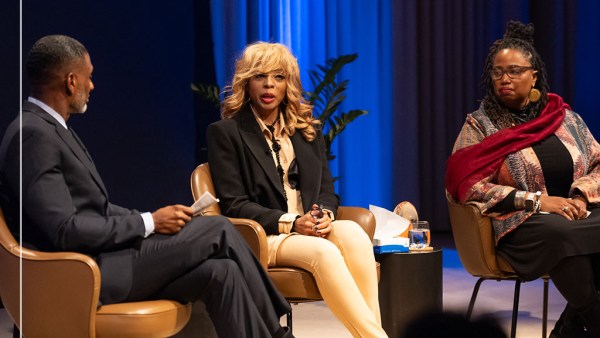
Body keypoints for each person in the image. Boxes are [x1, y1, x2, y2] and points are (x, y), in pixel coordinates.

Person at [0, 34, 294, 338]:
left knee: (223, 271)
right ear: (71, 81)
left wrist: (153, 221)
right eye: (89, 78)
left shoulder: (50, 129)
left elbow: (95, 209)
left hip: (104, 260)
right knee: (217, 228)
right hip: (84, 274)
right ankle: (280, 329)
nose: (92, 86)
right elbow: (64, 231)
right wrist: (148, 222)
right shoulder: (32, 135)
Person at [206, 42, 387, 338]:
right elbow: (234, 204)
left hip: (309, 228)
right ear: (246, 83)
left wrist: (325, 213)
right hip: (267, 236)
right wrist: (291, 222)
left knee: (354, 234)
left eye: (278, 77)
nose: (269, 85)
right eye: (259, 76)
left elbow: (327, 189)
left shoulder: (306, 130)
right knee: (323, 251)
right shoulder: (226, 133)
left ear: (288, 84)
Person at [445, 21, 600, 338]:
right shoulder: (481, 125)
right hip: (520, 222)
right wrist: (538, 200)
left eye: (514, 71)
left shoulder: (564, 117)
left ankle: (571, 327)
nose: (504, 79)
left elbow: (598, 162)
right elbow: (467, 183)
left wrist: (582, 196)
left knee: (574, 229)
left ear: (534, 75)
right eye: (497, 72)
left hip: (576, 212)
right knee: (560, 234)